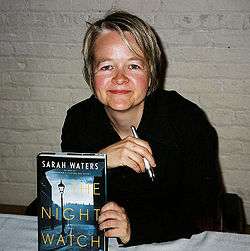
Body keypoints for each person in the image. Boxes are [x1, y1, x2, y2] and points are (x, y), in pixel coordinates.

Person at [61, 11, 223, 246]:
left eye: (134, 65)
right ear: (91, 73)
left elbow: (203, 210)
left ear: (151, 73)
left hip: (173, 241)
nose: (119, 78)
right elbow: (65, 201)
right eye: (106, 66)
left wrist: (133, 228)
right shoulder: (79, 119)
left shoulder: (187, 120)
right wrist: (99, 161)